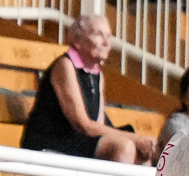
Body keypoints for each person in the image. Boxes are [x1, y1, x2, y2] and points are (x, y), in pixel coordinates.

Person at [20, 14, 156, 164]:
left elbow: (99, 124)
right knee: (124, 147)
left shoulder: (97, 73)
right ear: (77, 40)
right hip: (51, 141)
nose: (106, 43)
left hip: (78, 140)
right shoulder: (65, 66)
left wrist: (138, 142)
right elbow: (82, 124)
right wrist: (136, 139)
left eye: (109, 37)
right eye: (98, 34)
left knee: (142, 153)